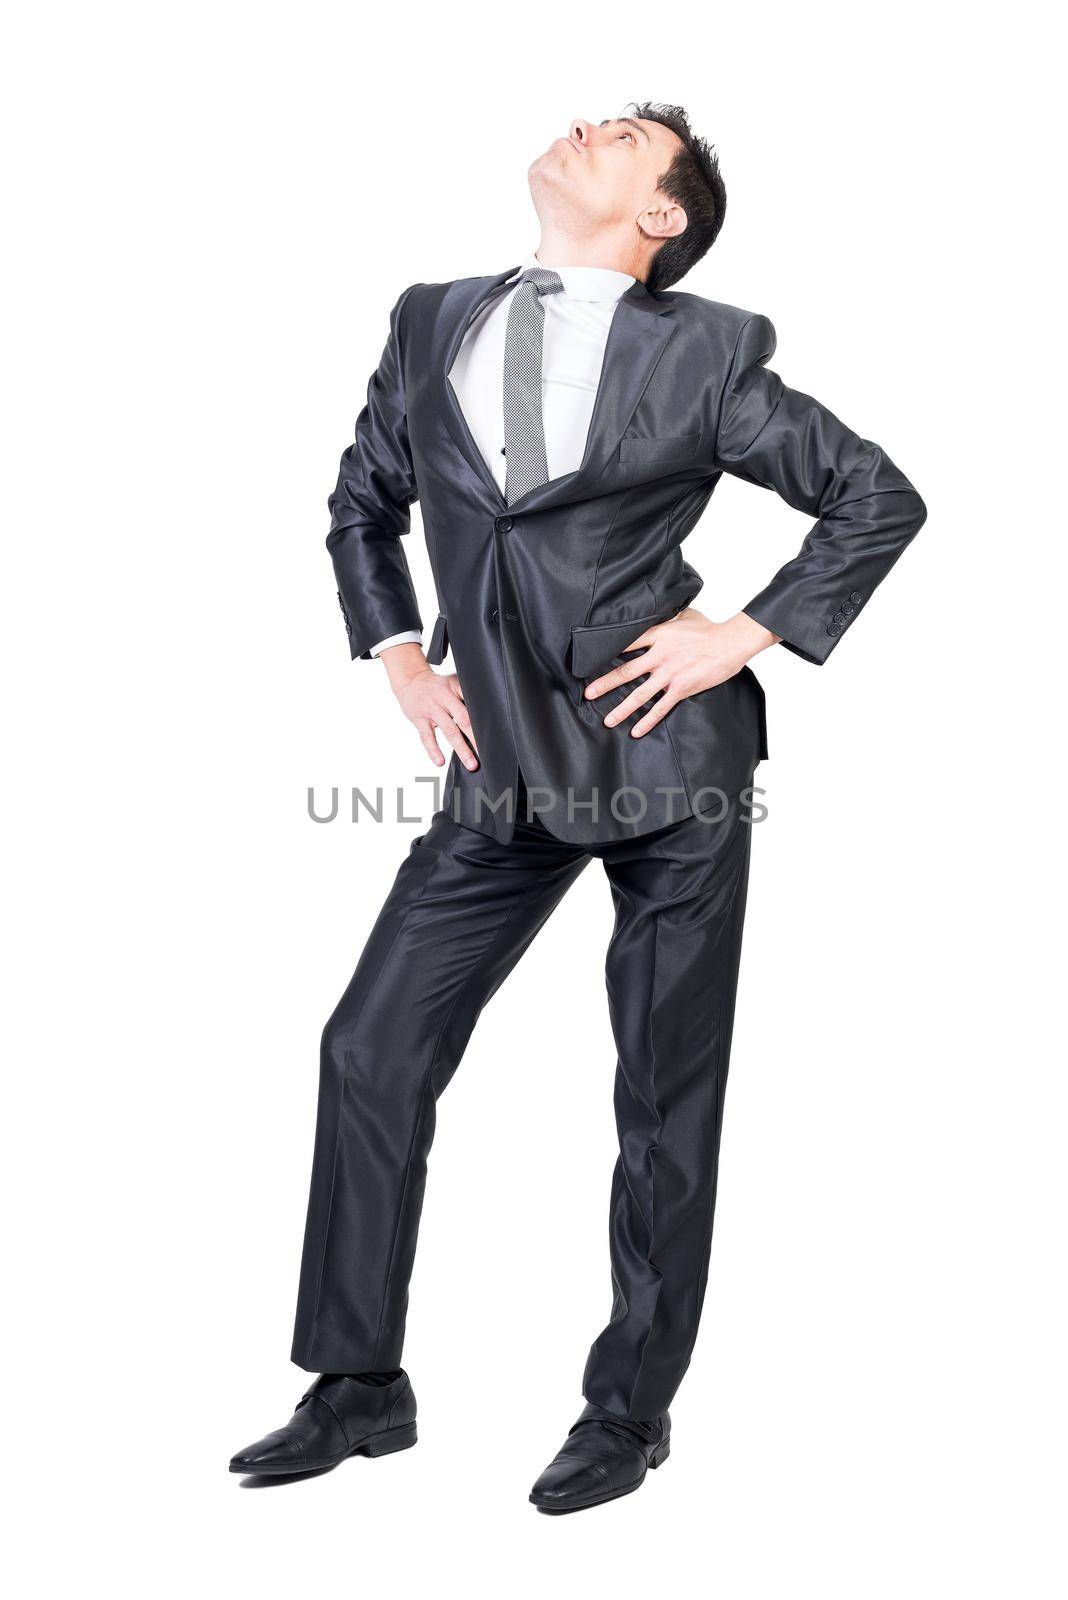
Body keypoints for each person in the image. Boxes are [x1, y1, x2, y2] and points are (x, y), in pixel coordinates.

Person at [230, 102, 926, 1513]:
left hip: (669, 765)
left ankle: (627, 1412)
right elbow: (364, 499)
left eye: (624, 138)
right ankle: (359, 1384)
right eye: (592, 119)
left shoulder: (706, 350)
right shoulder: (433, 319)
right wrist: (400, 653)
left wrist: (743, 632)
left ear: (659, 219)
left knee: (663, 1097)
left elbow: (875, 495)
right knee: (371, 1048)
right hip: (498, 774)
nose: (585, 130)